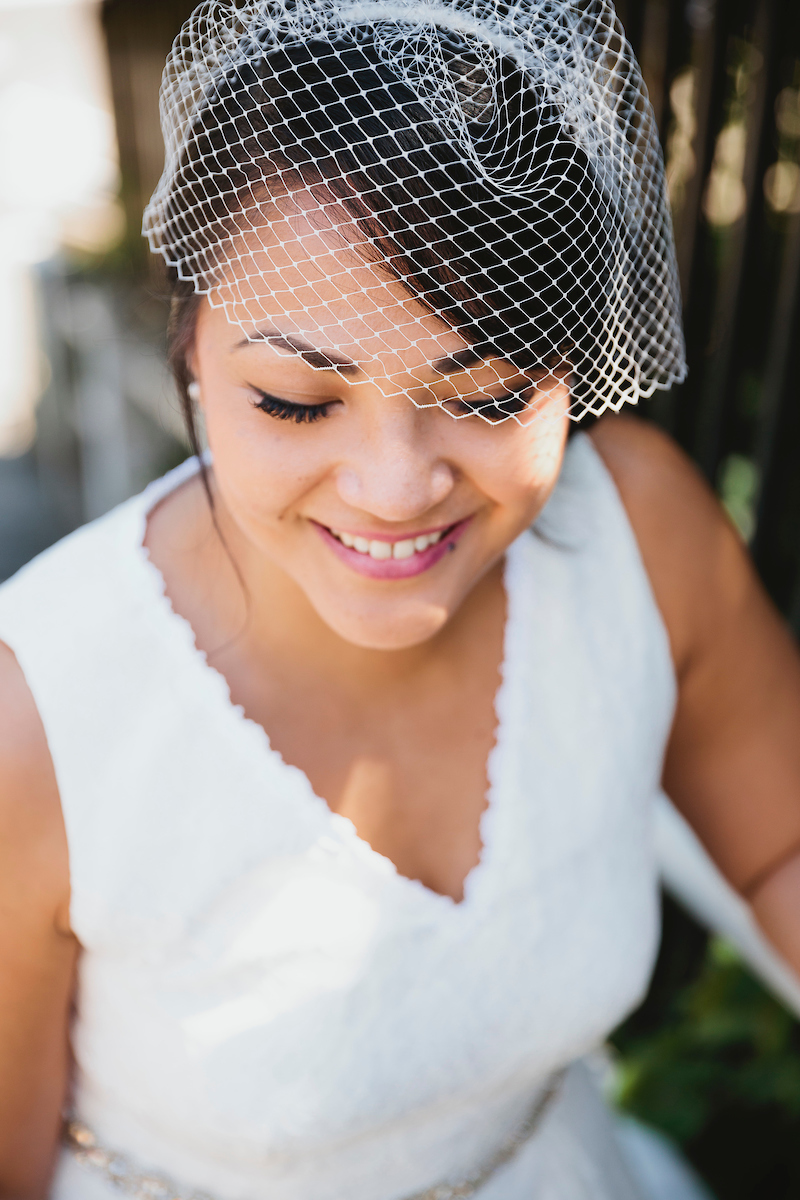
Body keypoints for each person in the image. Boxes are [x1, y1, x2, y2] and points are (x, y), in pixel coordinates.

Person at [2, 1, 800, 1198]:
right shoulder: (37, 722)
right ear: (191, 353)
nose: (393, 491)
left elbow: (780, 848)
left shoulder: (643, 532)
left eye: (484, 395)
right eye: (293, 401)